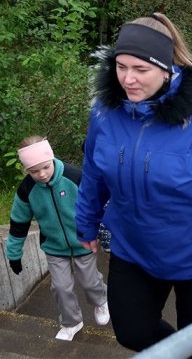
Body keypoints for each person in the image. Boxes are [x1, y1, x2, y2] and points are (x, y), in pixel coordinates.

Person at [75, 13, 192, 356]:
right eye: (121, 67)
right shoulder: (106, 111)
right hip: (135, 249)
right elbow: (94, 172)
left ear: (166, 68)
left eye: (140, 70)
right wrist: (85, 222)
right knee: (131, 332)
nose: (127, 79)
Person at [7, 136, 109, 342]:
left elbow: (97, 204)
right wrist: (14, 254)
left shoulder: (74, 176)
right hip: (54, 247)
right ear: (27, 170)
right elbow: (18, 223)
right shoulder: (27, 190)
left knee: (90, 283)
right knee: (61, 287)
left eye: (45, 167)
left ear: (51, 158)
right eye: (34, 171)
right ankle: (71, 322)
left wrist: (102, 233)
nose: (41, 174)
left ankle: (101, 300)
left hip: (83, 242)